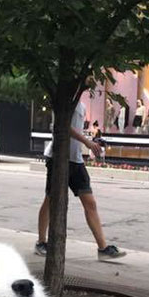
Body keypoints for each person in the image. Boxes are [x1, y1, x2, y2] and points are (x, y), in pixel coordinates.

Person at [35, 98, 126, 261]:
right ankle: (41, 242)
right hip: (59, 158)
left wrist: (88, 142)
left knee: (90, 202)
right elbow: (63, 126)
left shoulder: (82, 106)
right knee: (50, 200)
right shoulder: (63, 102)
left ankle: (103, 248)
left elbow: (76, 130)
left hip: (76, 160)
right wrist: (87, 142)